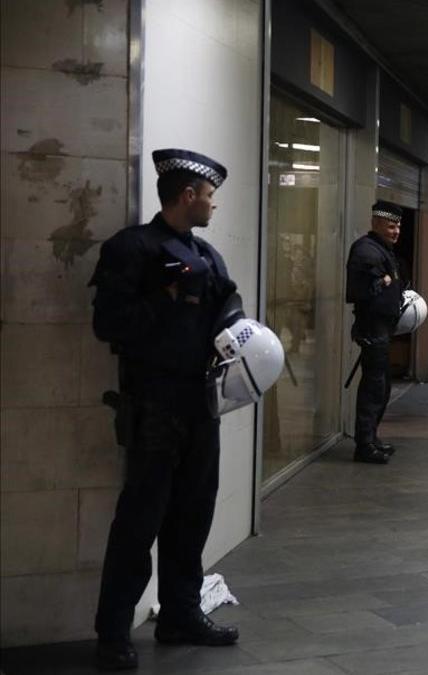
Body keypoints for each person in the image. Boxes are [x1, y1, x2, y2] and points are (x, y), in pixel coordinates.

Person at [89, 149, 241, 670]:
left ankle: (181, 613)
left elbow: (229, 309)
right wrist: (168, 295)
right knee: (139, 521)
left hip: (201, 403)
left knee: (192, 515)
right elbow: (109, 325)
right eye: (209, 196)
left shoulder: (208, 255)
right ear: (187, 196)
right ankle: (112, 631)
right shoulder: (131, 249)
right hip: (154, 402)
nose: (213, 205)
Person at [345, 200, 407, 465]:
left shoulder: (382, 250)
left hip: (382, 328)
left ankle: (371, 437)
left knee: (382, 386)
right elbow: (362, 291)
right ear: (376, 223)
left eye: (398, 227)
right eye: (391, 226)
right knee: (373, 387)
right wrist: (384, 281)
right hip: (373, 327)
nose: (396, 231)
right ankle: (364, 444)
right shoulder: (366, 251)